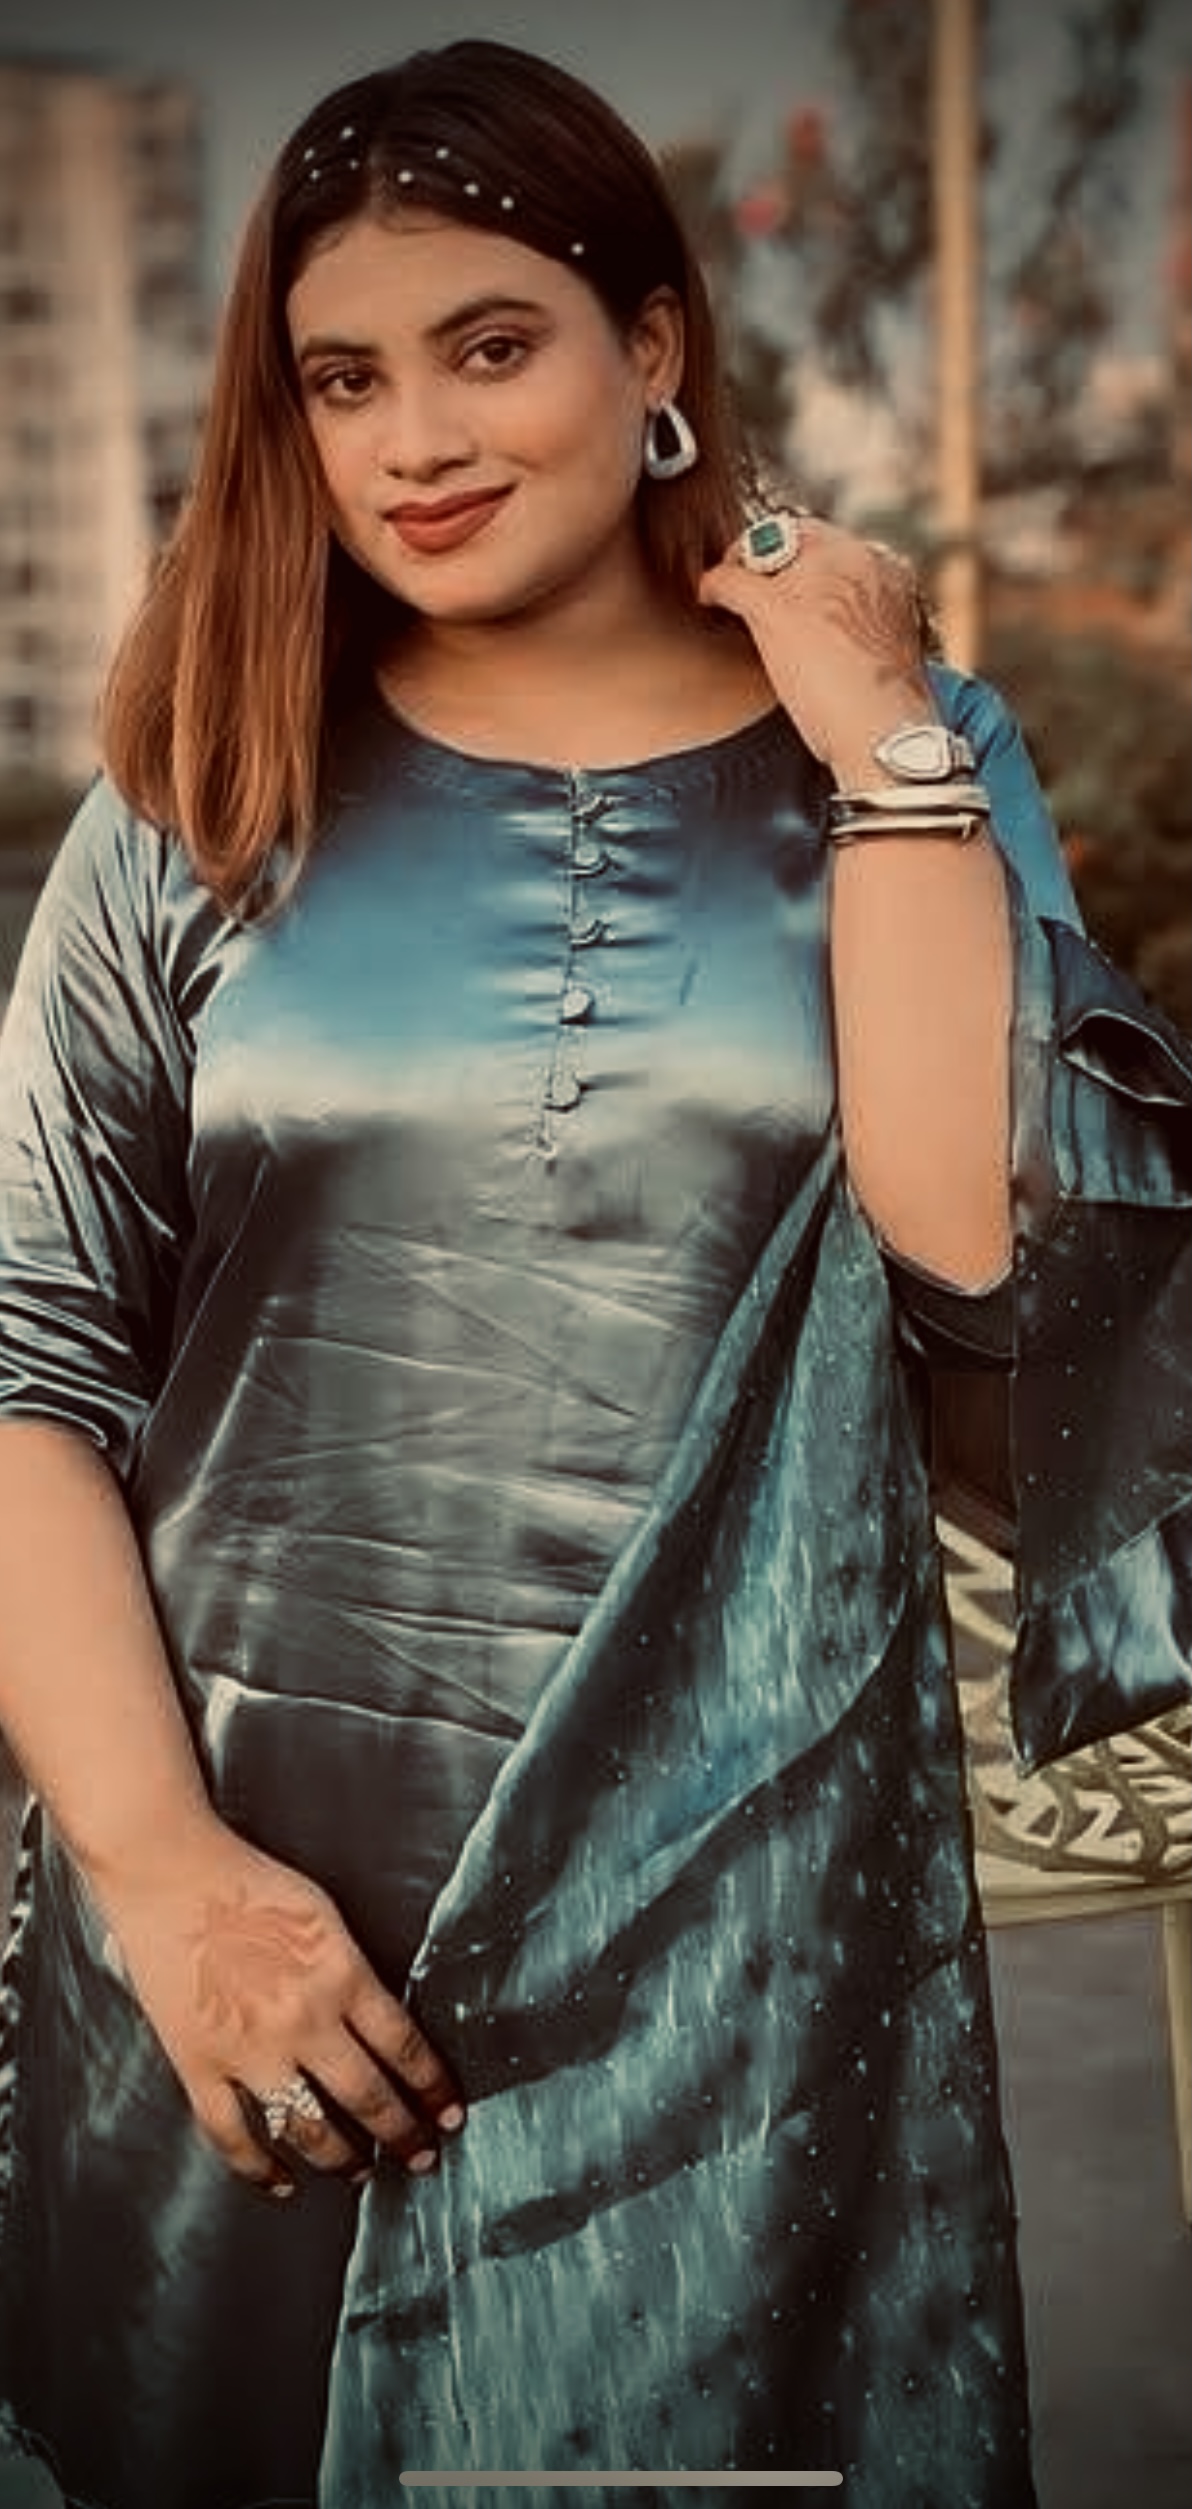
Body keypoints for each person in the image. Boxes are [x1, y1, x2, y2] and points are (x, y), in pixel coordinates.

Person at [2, 35, 1191, 2509]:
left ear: (649, 345)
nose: (413, 438)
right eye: (343, 377)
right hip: (248, 1901)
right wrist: (168, 1880)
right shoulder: (203, 784)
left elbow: (978, 1267)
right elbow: (28, 1364)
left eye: (487, 345)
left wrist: (876, 740)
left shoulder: (902, 754)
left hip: (727, 1921)